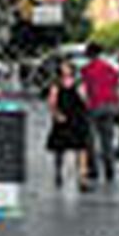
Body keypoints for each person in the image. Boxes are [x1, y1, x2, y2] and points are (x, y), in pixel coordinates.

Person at [79, 42, 119, 184]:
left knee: (90, 139)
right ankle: (110, 170)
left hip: (94, 105)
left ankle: (94, 170)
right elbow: (116, 83)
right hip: (110, 105)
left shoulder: (86, 70)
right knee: (107, 140)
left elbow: (84, 90)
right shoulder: (110, 68)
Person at [45, 60, 91, 189]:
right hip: (63, 118)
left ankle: (82, 177)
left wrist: (85, 99)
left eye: (68, 67)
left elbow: (85, 99)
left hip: (78, 118)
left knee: (81, 148)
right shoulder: (56, 84)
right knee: (60, 149)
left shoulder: (78, 83)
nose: (65, 70)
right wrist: (56, 114)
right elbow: (52, 101)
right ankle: (58, 172)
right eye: (63, 67)